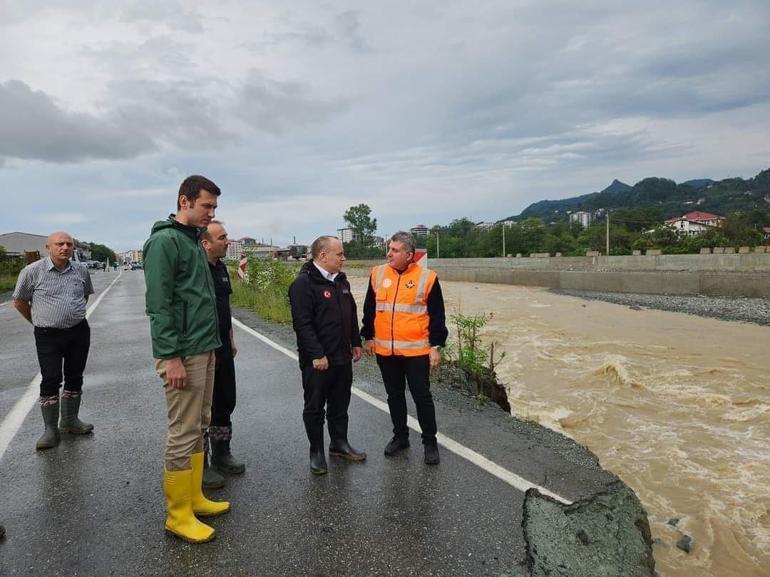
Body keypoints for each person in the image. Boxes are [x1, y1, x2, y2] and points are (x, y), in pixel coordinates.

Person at [143, 175, 230, 544]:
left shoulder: (194, 241)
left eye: (214, 208)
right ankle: (178, 515)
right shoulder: (164, 242)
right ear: (184, 201)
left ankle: (194, 497)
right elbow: (159, 307)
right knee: (182, 431)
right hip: (182, 352)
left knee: (200, 423)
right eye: (206, 206)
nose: (211, 214)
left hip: (204, 346)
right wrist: (171, 357)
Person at [361, 231, 448, 465]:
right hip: (386, 352)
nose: (389, 253)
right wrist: (368, 337)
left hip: (416, 352)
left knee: (422, 397)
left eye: (395, 250)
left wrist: (435, 346)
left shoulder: (427, 278)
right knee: (394, 396)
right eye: (389, 249)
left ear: (409, 255)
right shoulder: (377, 274)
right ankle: (401, 437)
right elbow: (369, 309)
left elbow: (438, 316)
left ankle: (430, 442)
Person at [288, 236, 365, 475]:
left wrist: (355, 341)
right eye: (340, 254)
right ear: (323, 256)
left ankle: (339, 443)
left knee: (340, 404)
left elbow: (351, 313)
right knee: (315, 407)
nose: (344, 258)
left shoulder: (341, 281)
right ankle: (316, 452)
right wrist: (317, 354)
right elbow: (302, 324)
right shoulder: (304, 284)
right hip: (318, 361)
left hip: (342, 356)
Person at [13, 231, 95, 450]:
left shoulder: (81, 270)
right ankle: (50, 429)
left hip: (78, 332)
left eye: (69, 244)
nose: (65, 247)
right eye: (60, 244)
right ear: (48, 247)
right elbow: (20, 301)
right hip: (47, 335)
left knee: (75, 375)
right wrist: (38, 320)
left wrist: (70, 313)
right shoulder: (32, 272)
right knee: (50, 378)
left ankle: (70, 421)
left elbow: (84, 296)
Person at [200, 221, 245, 490]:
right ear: (206, 243)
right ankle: (200, 464)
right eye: (222, 237)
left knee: (225, 401)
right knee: (201, 409)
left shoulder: (221, 269)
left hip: (224, 347)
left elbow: (224, 307)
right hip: (203, 348)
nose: (228, 241)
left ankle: (222, 453)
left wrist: (230, 339)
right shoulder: (197, 271)